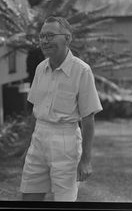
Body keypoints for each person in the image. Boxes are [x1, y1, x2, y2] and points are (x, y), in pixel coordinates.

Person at [20, 16, 102, 201]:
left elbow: (88, 119)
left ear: (67, 38)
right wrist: (28, 146)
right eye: (42, 36)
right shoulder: (40, 68)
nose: (44, 41)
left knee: (64, 201)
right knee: (29, 197)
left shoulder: (82, 71)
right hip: (38, 139)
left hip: (66, 142)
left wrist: (86, 160)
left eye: (50, 35)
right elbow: (35, 110)